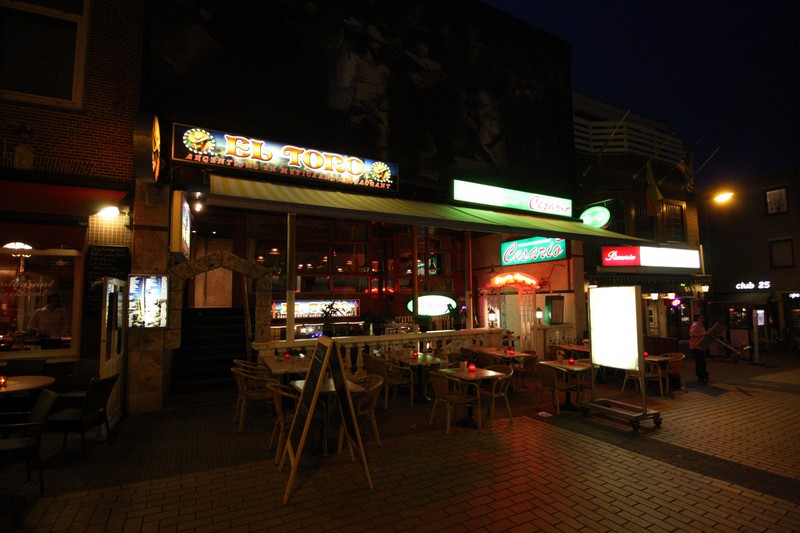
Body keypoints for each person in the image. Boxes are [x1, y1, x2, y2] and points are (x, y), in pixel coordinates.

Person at [689, 313, 709, 383]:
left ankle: (704, 376)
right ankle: (701, 377)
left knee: (703, 362)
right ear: (697, 318)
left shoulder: (700, 325)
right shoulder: (695, 325)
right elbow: (692, 334)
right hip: (696, 346)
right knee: (700, 362)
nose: (702, 319)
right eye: (701, 317)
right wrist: (704, 334)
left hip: (700, 346)